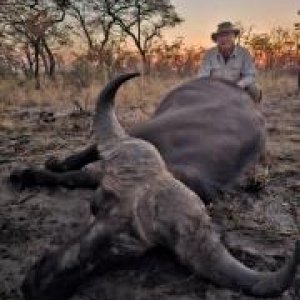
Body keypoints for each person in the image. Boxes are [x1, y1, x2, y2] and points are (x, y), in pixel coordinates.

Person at [198, 21, 262, 103]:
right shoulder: (209, 54)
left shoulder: (243, 53)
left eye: (228, 35)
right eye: (221, 36)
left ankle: (251, 112)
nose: (224, 39)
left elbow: (250, 75)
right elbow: (202, 77)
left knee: (254, 89)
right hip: (215, 91)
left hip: (237, 89)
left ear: (234, 37)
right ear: (217, 39)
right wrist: (212, 89)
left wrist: (238, 86)